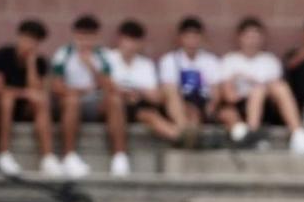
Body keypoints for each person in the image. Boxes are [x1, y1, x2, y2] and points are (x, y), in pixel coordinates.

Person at [224, 17, 304, 154]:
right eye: (248, 36)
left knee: (277, 87)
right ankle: (252, 133)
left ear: (262, 38)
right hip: (241, 106)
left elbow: (276, 90)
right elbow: (229, 96)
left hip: (268, 107)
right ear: (240, 38)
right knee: (258, 90)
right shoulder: (230, 60)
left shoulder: (270, 61)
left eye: (256, 36)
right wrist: (253, 88)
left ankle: (298, 133)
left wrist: (253, 84)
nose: (252, 41)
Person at [49, 14, 124, 178]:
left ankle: (119, 158)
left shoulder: (104, 55)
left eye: (89, 37)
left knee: (115, 101)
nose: (85, 41)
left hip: (95, 102)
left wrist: (91, 66)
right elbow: (55, 86)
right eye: (81, 37)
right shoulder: (64, 53)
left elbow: (110, 87)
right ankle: (69, 156)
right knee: (72, 101)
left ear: (96, 37)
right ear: (75, 35)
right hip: (71, 101)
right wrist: (77, 91)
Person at [0, 19, 57, 177]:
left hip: (26, 108)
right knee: (7, 100)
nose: (29, 44)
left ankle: (47, 158)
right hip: (3, 105)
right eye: (27, 39)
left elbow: (37, 91)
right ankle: (4, 153)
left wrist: (31, 64)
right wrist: (24, 93)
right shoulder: (3, 54)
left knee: (41, 101)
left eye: (35, 41)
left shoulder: (40, 62)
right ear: (19, 37)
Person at [112, 18, 184, 148]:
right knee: (148, 116)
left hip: (140, 102)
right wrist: (126, 93)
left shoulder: (146, 64)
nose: (130, 45)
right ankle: (182, 137)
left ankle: (183, 130)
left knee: (168, 90)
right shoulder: (108, 58)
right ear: (119, 39)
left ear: (140, 43)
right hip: (116, 104)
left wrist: (139, 93)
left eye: (134, 41)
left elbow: (155, 96)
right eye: (127, 40)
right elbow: (103, 85)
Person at [158, 16, 223, 148]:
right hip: (179, 100)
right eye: (188, 37)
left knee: (194, 113)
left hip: (202, 101)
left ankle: (186, 136)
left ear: (201, 38)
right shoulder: (169, 60)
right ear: (180, 38)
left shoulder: (210, 60)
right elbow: (168, 88)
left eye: (195, 36)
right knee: (179, 101)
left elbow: (216, 90)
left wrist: (212, 105)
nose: (191, 41)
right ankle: (185, 131)